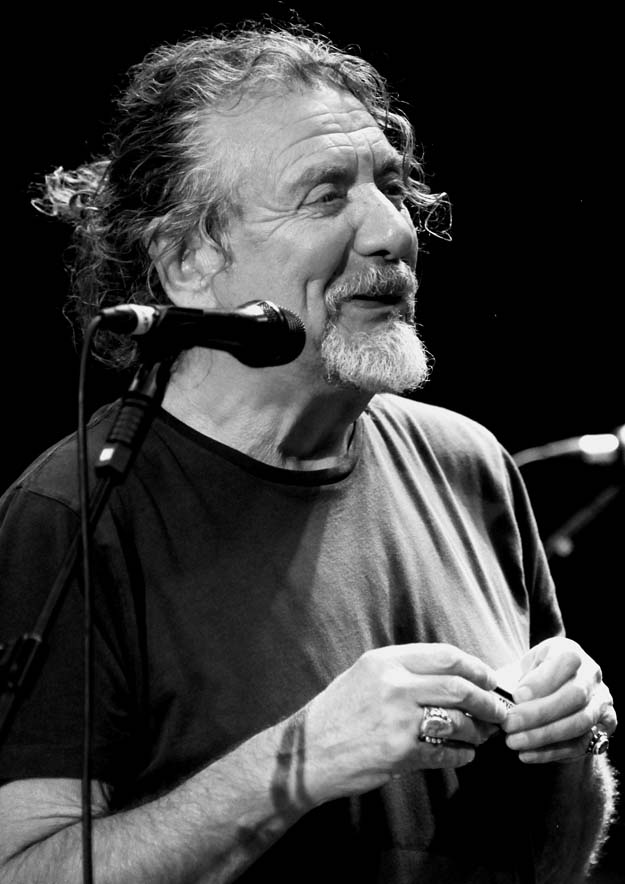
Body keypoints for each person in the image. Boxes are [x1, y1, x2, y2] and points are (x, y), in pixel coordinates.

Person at [0, 24, 618, 884]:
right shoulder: (75, 512)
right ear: (187, 259)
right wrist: (302, 759)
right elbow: (26, 869)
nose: (392, 232)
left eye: (391, 187)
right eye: (326, 197)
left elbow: (548, 862)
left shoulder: (466, 463)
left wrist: (576, 748)